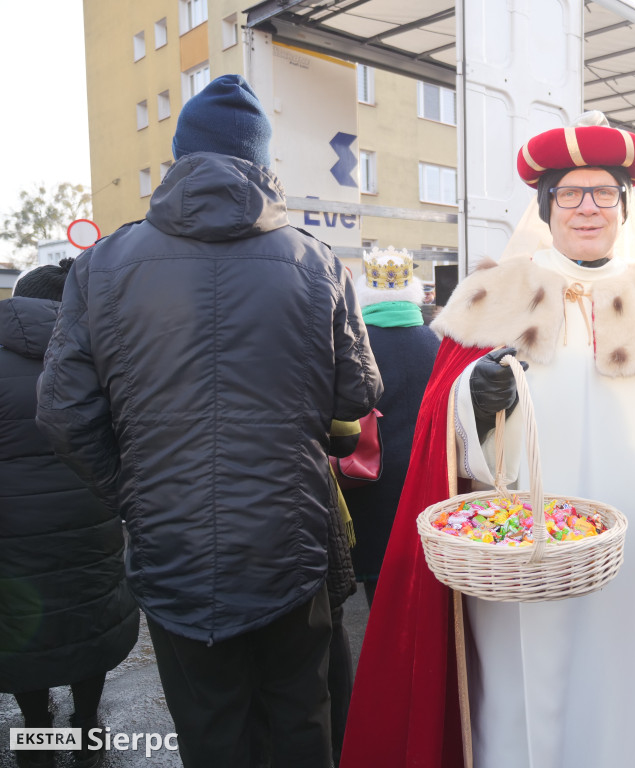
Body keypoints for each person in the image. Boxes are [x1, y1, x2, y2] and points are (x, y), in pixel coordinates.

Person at [340, 113, 635, 768]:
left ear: (625, 207)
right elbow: (439, 440)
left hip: (632, 562)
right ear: (547, 206)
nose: (588, 207)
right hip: (516, 557)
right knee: (515, 709)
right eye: (571, 193)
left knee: (621, 701)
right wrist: (472, 406)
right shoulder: (493, 297)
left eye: (603, 192)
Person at [35, 74, 383, 768]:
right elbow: (358, 393)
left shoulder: (102, 266)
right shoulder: (316, 262)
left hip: (173, 544)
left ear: (178, 159)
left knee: (209, 729)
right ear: (262, 162)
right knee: (298, 721)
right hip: (290, 542)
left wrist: (133, 490)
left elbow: (64, 414)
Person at [1, 261, 139, 768]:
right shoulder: (99, 357)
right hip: (93, 519)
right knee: (88, 615)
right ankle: (85, 726)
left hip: (10, 535)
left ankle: (37, 732)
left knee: (23, 625)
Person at [345, 246, 441, 606]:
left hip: (370, 475)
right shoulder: (433, 342)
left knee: (380, 584)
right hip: (424, 474)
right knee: (423, 577)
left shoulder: (355, 344)